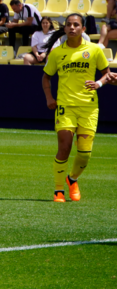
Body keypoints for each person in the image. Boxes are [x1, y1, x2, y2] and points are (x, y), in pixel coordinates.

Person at [42, 14, 109, 202]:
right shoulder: (56, 53)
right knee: (64, 147)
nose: (72, 27)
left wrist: (99, 84)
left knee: (85, 154)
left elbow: (106, 74)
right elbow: (46, 77)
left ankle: (72, 179)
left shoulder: (94, 50)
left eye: (76, 25)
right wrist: (49, 97)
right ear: (65, 29)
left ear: (83, 29)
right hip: (65, 106)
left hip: (88, 107)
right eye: (69, 25)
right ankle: (58, 190)